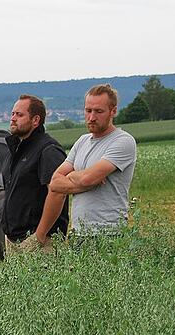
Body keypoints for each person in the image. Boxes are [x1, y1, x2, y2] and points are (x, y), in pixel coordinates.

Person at [39, 84, 137, 240]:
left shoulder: (123, 141)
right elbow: (55, 183)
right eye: (88, 110)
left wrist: (74, 176)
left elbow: (87, 179)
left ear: (113, 111)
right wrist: (85, 179)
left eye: (99, 111)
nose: (91, 117)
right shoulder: (82, 141)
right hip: (78, 232)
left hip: (108, 233)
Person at [0, 94, 68, 254]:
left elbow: (58, 193)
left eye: (19, 114)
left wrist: (40, 235)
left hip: (40, 242)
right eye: (12, 114)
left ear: (35, 120)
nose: (13, 118)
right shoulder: (16, 149)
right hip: (13, 239)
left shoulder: (48, 151)